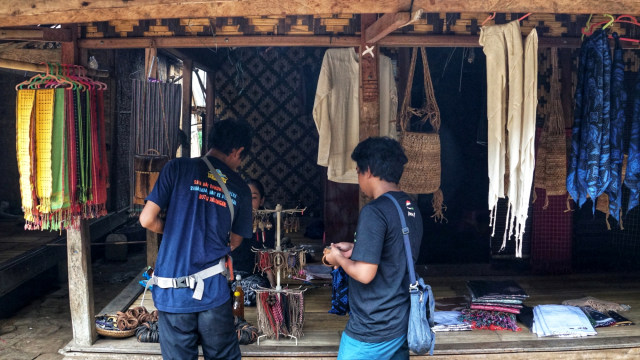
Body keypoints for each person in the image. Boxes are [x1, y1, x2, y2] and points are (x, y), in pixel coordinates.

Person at [139, 118, 253, 360]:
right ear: (238, 151)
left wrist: (173, 230)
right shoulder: (240, 187)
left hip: (173, 292)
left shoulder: (176, 168)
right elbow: (235, 241)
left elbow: (147, 219)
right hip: (212, 291)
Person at [325, 137, 423, 360]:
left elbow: (365, 274)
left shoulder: (374, 211)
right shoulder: (409, 206)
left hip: (371, 329)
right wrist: (357, 249)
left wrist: (338, 258)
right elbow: (394, 253)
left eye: (358, 171)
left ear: (368, 170)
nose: (359, 179)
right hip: (399, 324)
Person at [231, 178, 276, 298]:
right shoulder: (229, 219)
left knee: (260, 292)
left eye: (253, 197)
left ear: (261, 201)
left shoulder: (266, 222)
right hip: (228, 274)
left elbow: (266, 253)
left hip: (252, 276)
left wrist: (273, 285)